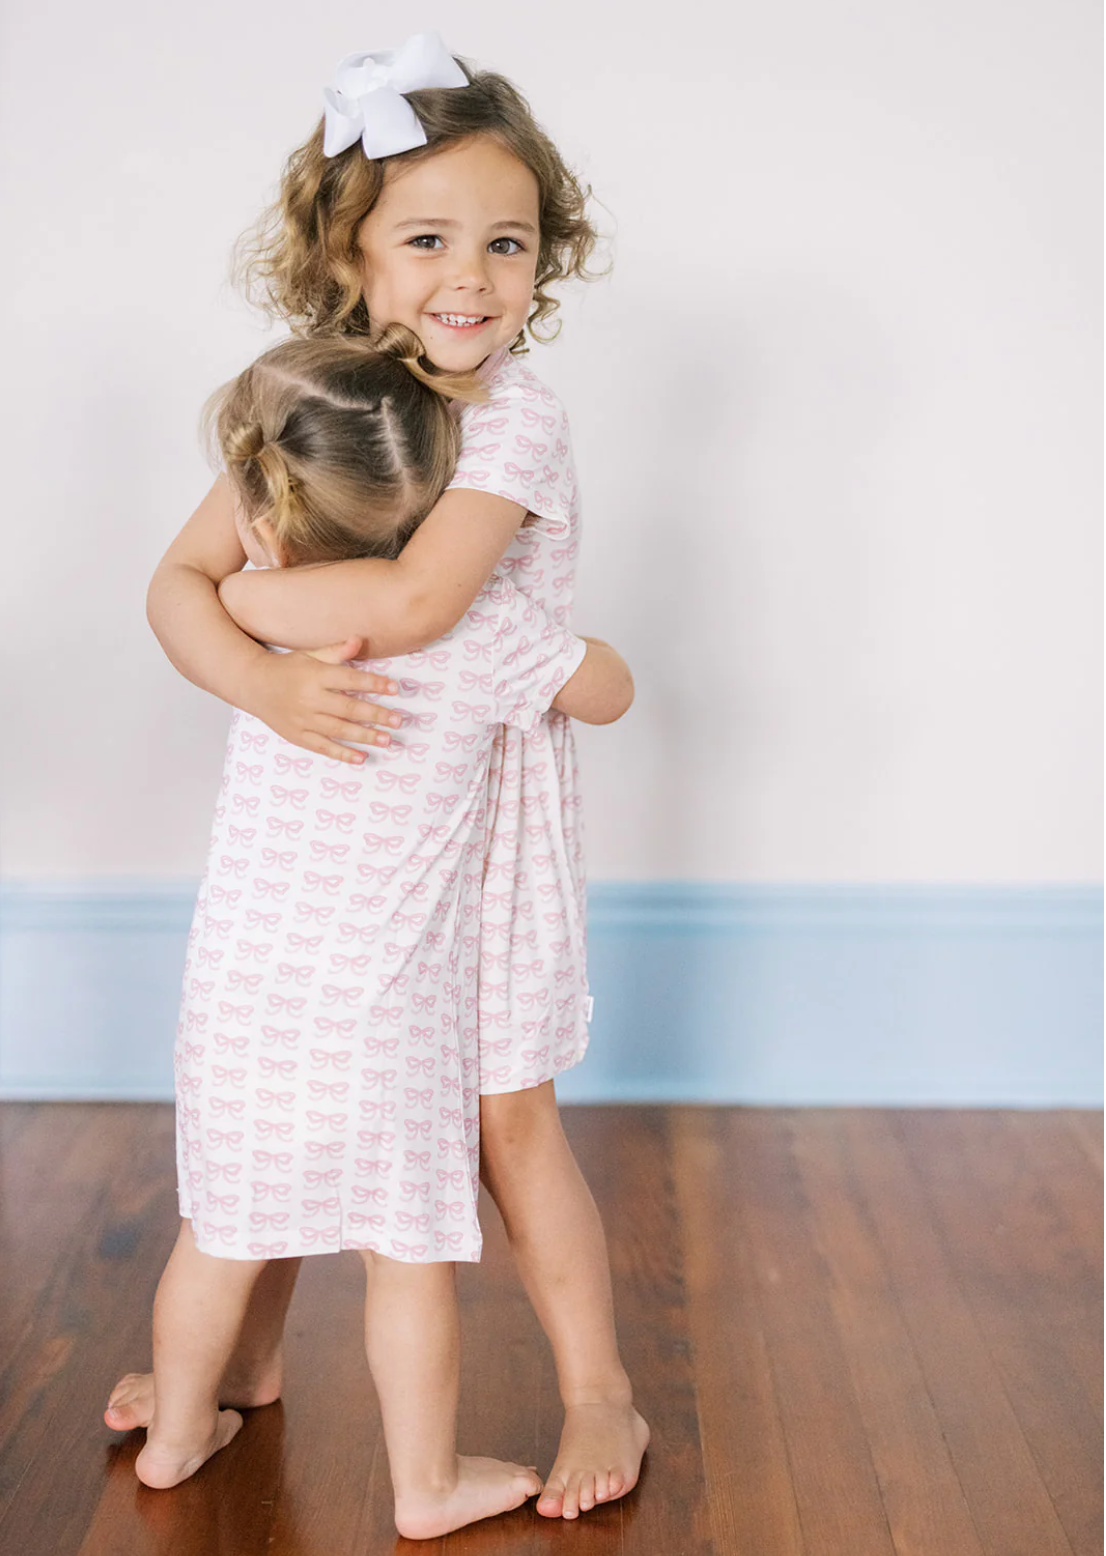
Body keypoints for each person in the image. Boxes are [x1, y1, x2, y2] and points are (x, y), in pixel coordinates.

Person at [107, 32, 650, 1521]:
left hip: (475, 819)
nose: (469, 276)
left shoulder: (510, 413)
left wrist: (261, 607)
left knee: (499, 1114)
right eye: (426, 239)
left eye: (507, 241)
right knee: (302, 1094)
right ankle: (240, 1360)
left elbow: (411, 609)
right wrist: (259, 677)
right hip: (344, 818)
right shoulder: (318, 401)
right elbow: (171, 585)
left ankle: (597, 1381)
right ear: (349, 256)